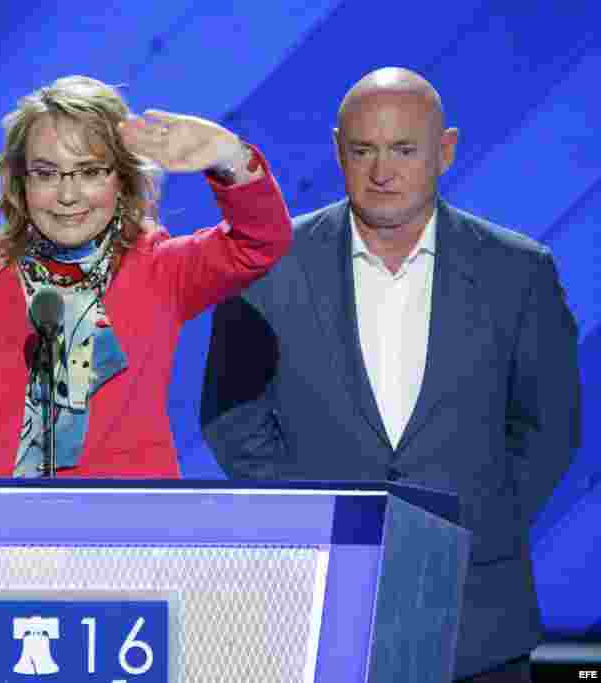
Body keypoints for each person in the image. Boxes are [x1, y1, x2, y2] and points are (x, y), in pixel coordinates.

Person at [201, 67, 580, 682]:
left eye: (404, 149)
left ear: (446, 151)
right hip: (319, 609)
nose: (383, 171)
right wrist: (314, 522)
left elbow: (550, 426)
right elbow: (231, 413)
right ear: (337, 151)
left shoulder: (519, 272)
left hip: (478, 619)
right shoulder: (267, 268)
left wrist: (471, 530)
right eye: (363, 150)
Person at [0, 75, 291, 478]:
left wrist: (227, 156)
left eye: (89, 172)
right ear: (20, 182)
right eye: (46, 174)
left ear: (121, 180)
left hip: (124, 531)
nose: (68, 195)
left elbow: (260, 242)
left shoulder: (160, 270)